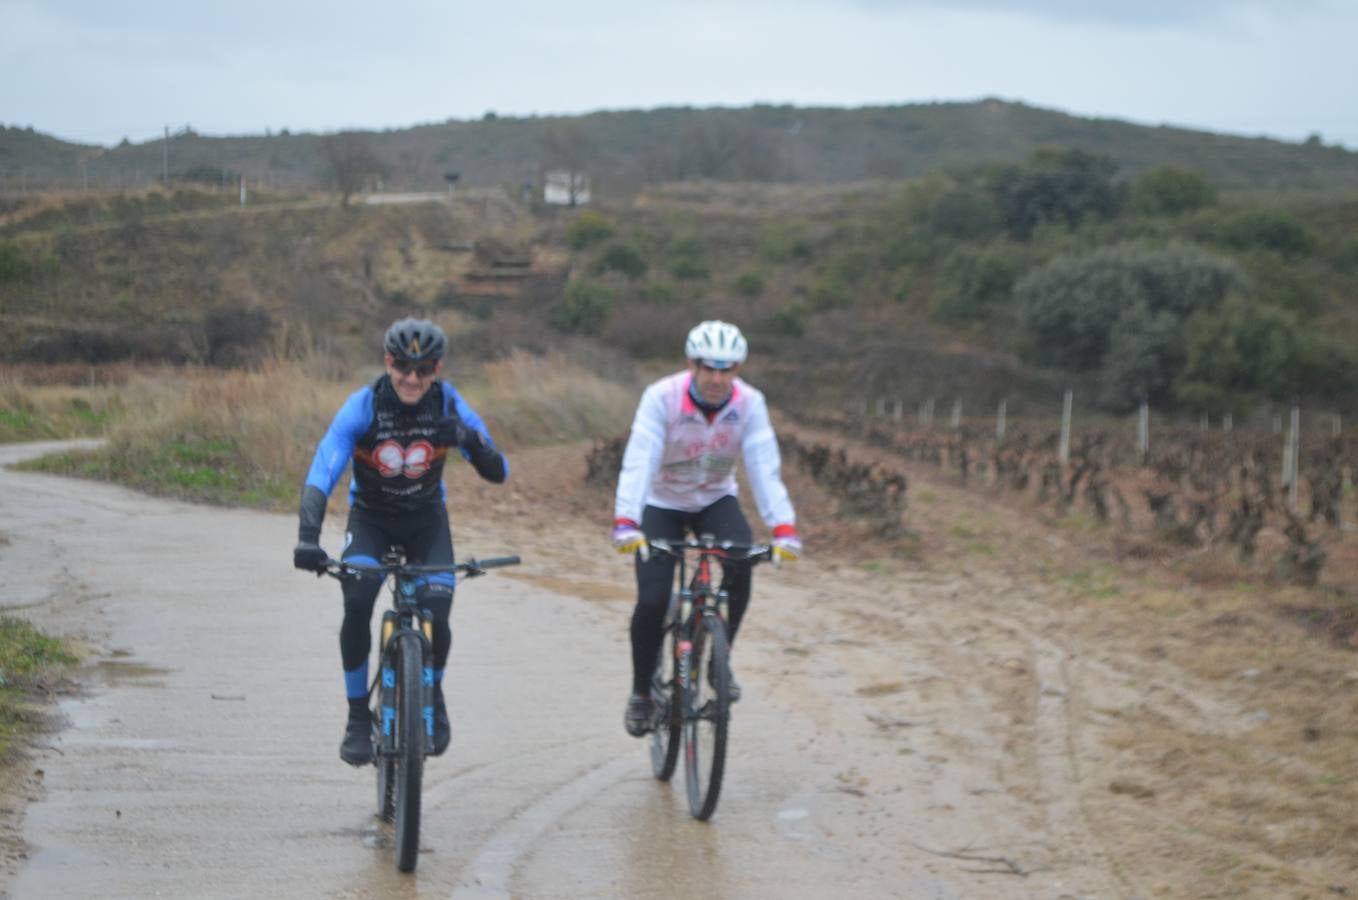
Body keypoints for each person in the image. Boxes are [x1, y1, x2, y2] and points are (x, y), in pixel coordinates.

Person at [292, 317, 508, 766]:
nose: (412, 379)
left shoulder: (449, 404)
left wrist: (468, 439)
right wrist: (307, 537)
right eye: (402, 367)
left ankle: (432, 690)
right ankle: (356, 716)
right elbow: (323, 469)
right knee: (358, 599)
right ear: (387, 362)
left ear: (438, 368)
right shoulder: (364, 405)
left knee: (439, 609)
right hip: (371, 519)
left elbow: (497, 471)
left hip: (427, 523)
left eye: (424, 369)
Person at [612, 319, 801, 737]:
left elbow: (763, 465)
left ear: (738, 370)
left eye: (727, 369)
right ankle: (642, 692)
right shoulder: (662, 397)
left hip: (715, 499)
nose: (717, 378)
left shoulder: (750, 403)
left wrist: (783, 526)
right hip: (662, 503)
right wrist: (627, 520)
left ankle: (720, 658)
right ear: (691, 364)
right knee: (652, 598)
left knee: (742, 561)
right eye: (709, 368)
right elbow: (639, 458)